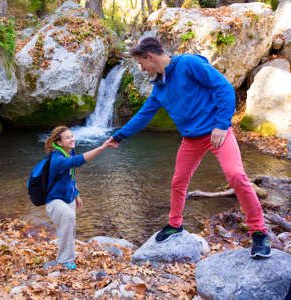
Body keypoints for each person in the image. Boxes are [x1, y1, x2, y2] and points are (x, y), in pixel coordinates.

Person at [107, 37, 271, 259]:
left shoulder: (189, 63)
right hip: (191, 139)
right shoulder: (159, 88)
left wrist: (222, 124)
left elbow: (224, 88)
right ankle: (175, 224)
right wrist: (120, 135)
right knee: (178, 181)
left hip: (217, 132)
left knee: (236, 175)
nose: (142, 69)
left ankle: (259, 233)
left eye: (141, 63)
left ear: (150, 56)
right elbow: (143, 116)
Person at [44, 126, 111, 269]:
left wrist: (76, 193)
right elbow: (79, 161)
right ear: (59, 143)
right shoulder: (57, 158)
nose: (72, 139)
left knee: (68, 229)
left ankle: (63, 258)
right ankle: (65, 260)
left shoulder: (69, 151)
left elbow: (71, 176)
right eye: (67, 137)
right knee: (69, 218)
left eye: (72, 136)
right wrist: (101, 148)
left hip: (69, 197)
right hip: (54, 200)